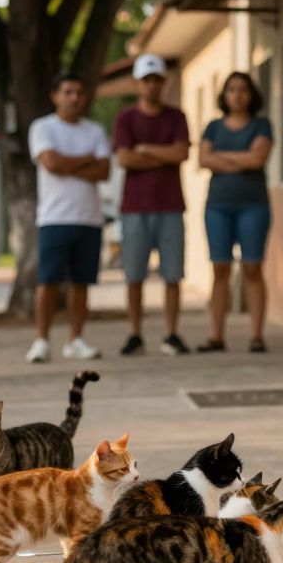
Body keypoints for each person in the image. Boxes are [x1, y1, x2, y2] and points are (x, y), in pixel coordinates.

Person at [25, 72, 111, 363]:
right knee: (48, 282)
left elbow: (104, 171)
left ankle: (76, 339)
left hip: (89, 218)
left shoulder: (95, 130)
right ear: (55, 95)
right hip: (54, 218)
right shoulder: (43, 128)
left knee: (81, 283)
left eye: (79, 92)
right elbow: (50, 163)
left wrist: (66, 164)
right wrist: (87, 159)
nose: (74, 97)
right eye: (68, 92)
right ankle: (41, 340)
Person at [113, 54, 192, 356]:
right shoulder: (125, 118)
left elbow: (182, 154)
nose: (152, 85)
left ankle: (171, 333)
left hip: (171, 205)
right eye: (146, 80)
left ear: (164, 82)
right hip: (134, 207)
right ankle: (135, 333)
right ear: (138, 83)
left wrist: (145, 150)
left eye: (157, 79)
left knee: (173, 274)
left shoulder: (176, 117)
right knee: (134, 275)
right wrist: (163, 153)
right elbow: (124, 158)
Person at [196, 72, 274, 353]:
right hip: (218, 207)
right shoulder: (213, 127)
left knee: (252, 268)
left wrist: (222, 159)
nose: (237, 95)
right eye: (231, 89)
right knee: (220, 269)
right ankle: (216, 336)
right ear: (224, 95)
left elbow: (258, 158)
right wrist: (241, 160)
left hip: (254, 206)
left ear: (251, 94)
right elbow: (203, 158)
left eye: (243, 89)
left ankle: (256, 335)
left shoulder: (261, 125)